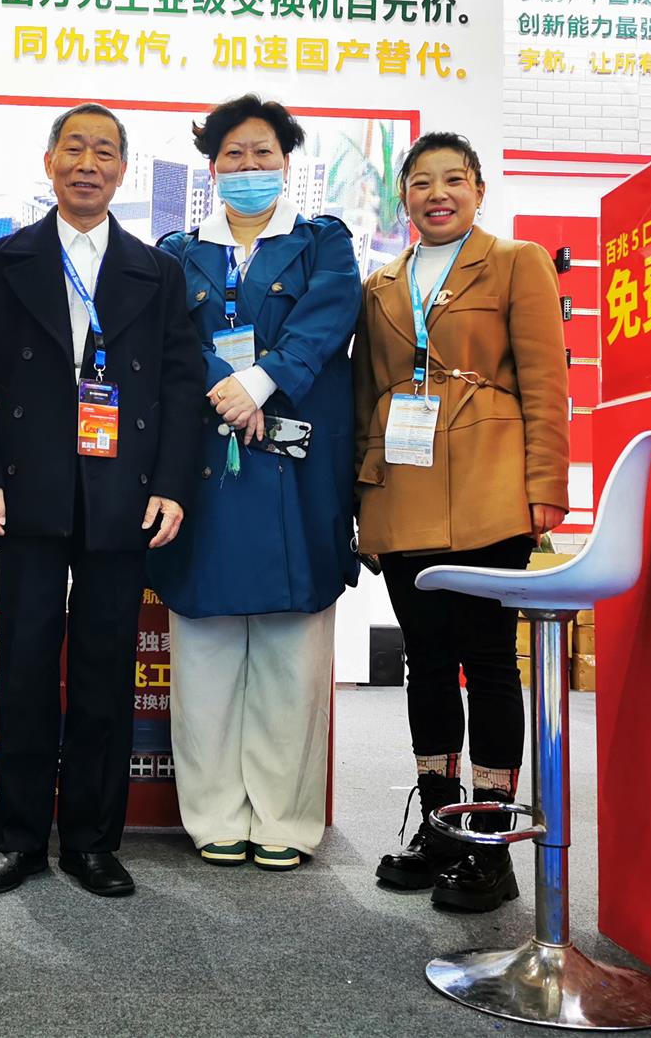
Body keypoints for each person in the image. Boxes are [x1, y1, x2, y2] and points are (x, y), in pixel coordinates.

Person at [0, 103, 203, 898]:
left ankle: (94, 842)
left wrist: (170, 485)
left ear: (123, 171)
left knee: (104, 669)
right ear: (50, 161)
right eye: (75, 148)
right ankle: (20, 839)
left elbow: (179, 386)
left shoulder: (156, 271)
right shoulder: (5, 260)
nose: (88, 164)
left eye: (104, 152)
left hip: (121, 490)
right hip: (28, 485)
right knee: (26, 663)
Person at [353, 131, 570, 913]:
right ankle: (441, 828)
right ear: (404, 197)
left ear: (479, 190)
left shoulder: (517, 262)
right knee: (427, 661)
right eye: (421, 182)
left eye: (454, 179)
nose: (437, 194)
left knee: (489, 659)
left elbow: (547, 380)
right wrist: (362, 499)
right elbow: (364, 396)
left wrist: (546, 485)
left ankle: (489, 841)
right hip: (403, 487)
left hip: (492, 485)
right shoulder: (379, 284)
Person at [147, 95, 360, 871]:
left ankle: (286, 818)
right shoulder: (176, 252)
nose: (248, 167)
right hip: (204, 468)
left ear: (285, 162)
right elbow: (172, 336)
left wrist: (262, 381)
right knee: (203, 653)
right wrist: (226, 387)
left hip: (297, 468)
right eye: (233, 155)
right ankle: (212, 814)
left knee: (291, 652)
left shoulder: (322, 241)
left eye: (262, 153)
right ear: (212, 167)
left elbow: (327, 320)